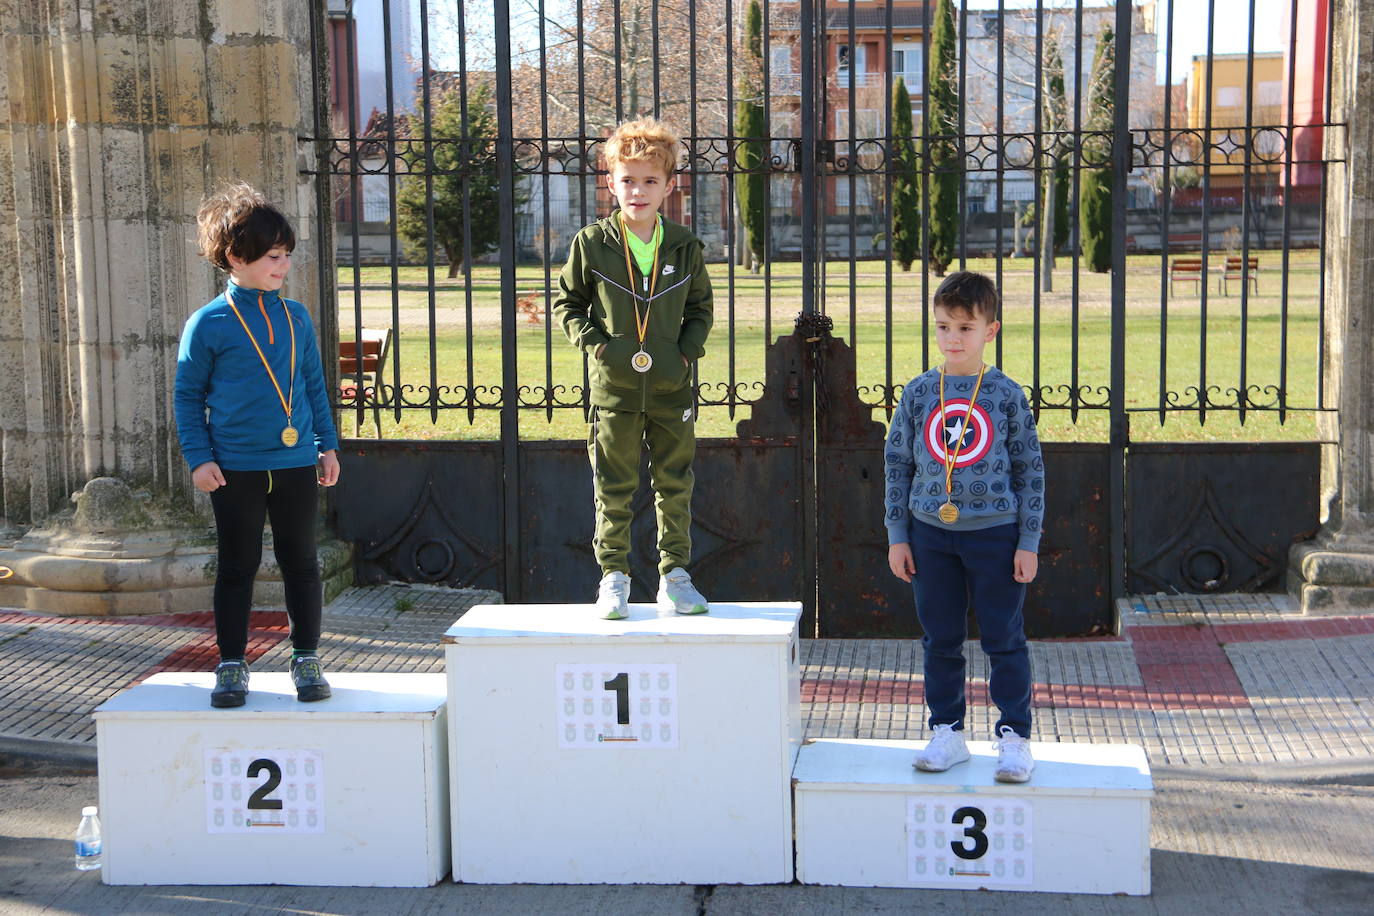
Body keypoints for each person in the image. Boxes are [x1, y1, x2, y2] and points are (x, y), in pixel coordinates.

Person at [175, 182, 341, 708]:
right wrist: (199, 458)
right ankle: (230, 663)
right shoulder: (208, 323)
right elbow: (187, 395)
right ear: (234, 257)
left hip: (294, 460)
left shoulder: (297, 318)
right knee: (238, 565)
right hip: (235, 469)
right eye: (273, 256)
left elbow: (314, 384)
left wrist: (327, 445)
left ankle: (306, 655)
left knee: (302, 562)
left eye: (287, 255)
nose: (283, 265)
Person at [883, 271, 1045, 783]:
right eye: (943, 327)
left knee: (1004, 637)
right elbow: (896, 465)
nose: (953, 338)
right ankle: (947, 730)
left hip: (996, 534)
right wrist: (897, 535)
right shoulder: (918, 393)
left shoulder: (1004, 395)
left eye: (965, 328)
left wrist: (1028, 541)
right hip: (930, 534)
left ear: (991, 331)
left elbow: (1030, 469)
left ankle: (1015, 736)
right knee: (940, 639)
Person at [553, 117, 714, 620]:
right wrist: (599, 348)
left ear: (669, 185)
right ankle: (614, 577)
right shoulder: (592, 243)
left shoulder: (685, 246)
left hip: (670, 387)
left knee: (675, 484)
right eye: (628, 179)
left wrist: (683, 353)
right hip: (615, 391)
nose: (638, 191)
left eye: (649, 180)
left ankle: (675, 576)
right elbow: (568, 304)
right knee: (613, 486)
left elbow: (701, 309)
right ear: (610, 181)